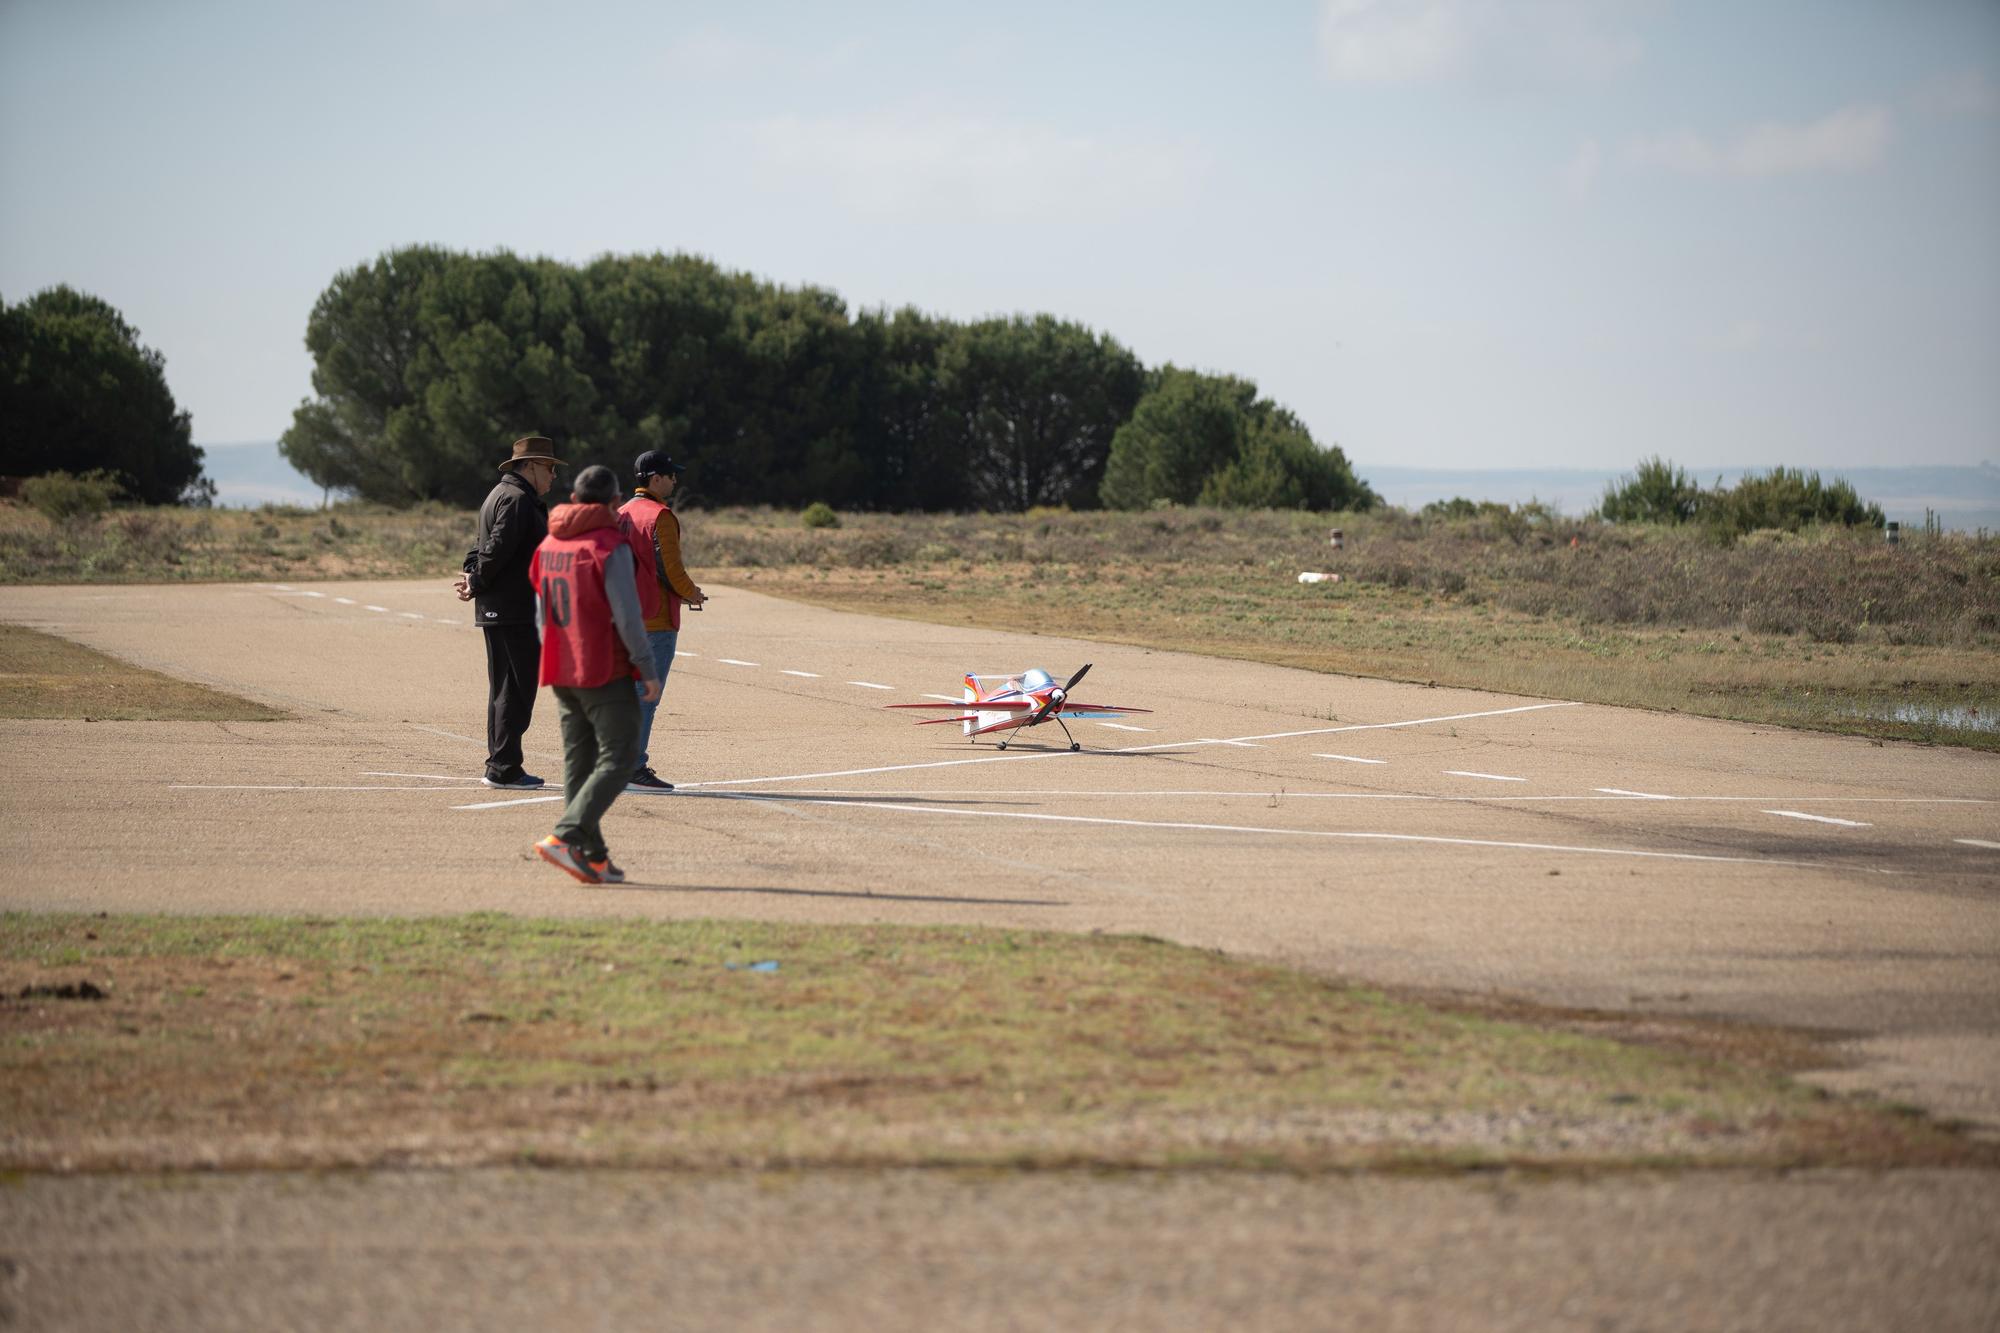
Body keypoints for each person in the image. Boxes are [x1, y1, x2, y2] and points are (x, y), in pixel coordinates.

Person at [527, 464, 663, 885]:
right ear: (614, 502)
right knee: (621, 756)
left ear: (573, 499)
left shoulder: (548, 542)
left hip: (559, 664)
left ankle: (594, 855)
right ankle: (566, 836)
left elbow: (539, 613)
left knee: (579, 763)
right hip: (602, 666)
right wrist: (647, 667)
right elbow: (627, 615)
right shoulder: (609, 544)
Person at [456, 436, 559, 789]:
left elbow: (479, 547)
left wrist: (473, 576)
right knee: (517, 687)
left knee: (505, 688)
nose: (554, 475)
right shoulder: (516, 499)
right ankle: (504, 767)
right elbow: (495, 549)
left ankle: (502, 764)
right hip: (512, 608)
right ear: (529, 465)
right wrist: (478, 580)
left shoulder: (499, 495)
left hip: (501, 607)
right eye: (549, 467)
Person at [616, 449, 706, 793]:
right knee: (646, 696)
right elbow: (670, 569)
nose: (674, 480)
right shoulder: (661, 516)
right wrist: (692, 593)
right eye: (670, 475)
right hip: (654, 620)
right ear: (655, 479)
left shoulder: (620, 513)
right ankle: (633, 768)